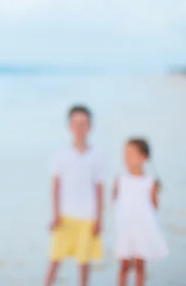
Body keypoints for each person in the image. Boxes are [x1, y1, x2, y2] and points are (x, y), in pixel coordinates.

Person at [45, 105, 105, 286]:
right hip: (65, 216)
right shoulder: (60, 154)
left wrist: (99, 219)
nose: (79, 129)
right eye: (76, 124)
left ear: (90, 127)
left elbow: (99, 189)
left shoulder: (97, 156)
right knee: (55, 259)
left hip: (88, 217)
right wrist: (55, 215)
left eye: (84, 124)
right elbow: (56, 186)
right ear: (69, 126)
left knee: (84, 263)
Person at [114, 138, 168, 286]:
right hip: (126, 228)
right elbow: (116, 200)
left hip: (142, 229)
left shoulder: (150, 181)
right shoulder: (120, 179)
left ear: (143, 157)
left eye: (131, 154)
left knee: (140, 265)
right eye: (125, 153)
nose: (127, 157)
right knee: (124, 265)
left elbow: (154, 206)